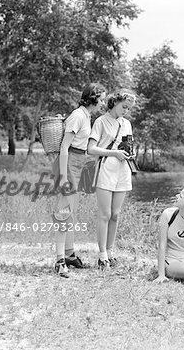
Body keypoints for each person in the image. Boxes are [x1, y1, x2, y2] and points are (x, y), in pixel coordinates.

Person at [52, 83, 107, 277]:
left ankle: (69, 254)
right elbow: (64, 147)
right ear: (93, 98)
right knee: (64, 212)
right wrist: (64, 176)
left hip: (78, 162)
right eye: (101, 99)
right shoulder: (77, 116)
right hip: (69, 164)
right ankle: (59, 261)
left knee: (71, 211)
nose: (103, 103)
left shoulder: (86, 116)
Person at [87, 90, 136, 270]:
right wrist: (114, 152)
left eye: (129, 108)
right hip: (106, 169)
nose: (126, 111)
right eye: (124, 106)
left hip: (123, 171)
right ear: (115, 102)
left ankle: (110, 251)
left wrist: (130, 154)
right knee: (105, 214)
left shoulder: (127, 124)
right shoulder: (100, 122)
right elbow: (91, 149)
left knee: (115, 214)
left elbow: (128, 145)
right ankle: (102, 256)